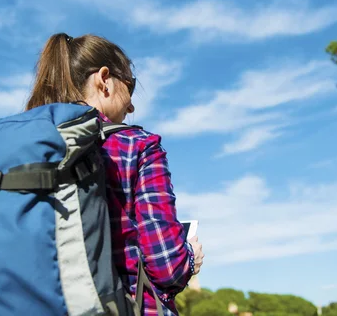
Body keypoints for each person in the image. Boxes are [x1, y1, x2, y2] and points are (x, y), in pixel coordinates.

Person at [25, 33, 204, 315]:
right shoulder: (137, 146)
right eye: (130, 88)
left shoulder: (26, 149)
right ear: (104, 79)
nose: (131, 106)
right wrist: (190, 257)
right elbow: (167, 267)